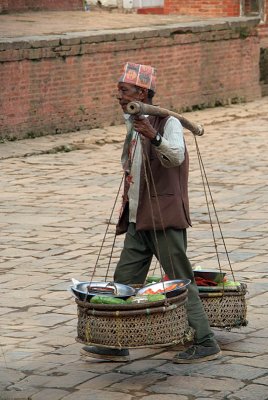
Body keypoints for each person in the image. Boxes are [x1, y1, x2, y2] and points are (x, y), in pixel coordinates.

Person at [81, 62, 221, 363]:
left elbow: (175, 158)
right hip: (138, 218)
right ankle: (115, 342)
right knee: (124, 282)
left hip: (164, 216)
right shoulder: (132, 122)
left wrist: (153, 137)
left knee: (180, 280)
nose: (119, 95)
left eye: (124, 90)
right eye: (119, 89)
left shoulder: (166, 123)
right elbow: (130, 166)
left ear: (142, 92)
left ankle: (206, 340)